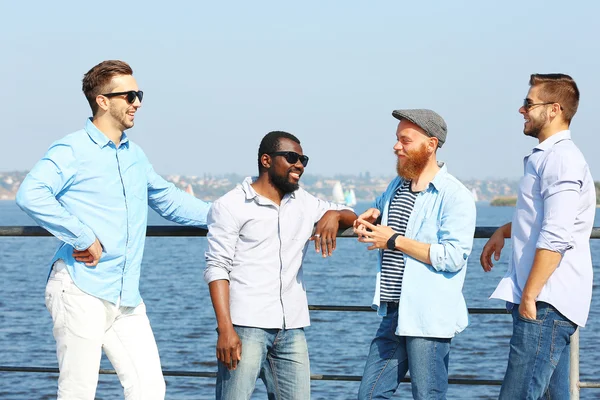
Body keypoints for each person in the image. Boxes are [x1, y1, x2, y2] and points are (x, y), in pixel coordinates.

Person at [16, 60, 211, 400]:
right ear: (103, 100)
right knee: (78, 392)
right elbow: (31, 193)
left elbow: (168, 200)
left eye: (140, 94)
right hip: (79, 287)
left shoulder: (135, 156)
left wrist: (231, 217)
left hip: (125, 296)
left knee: (149, 388)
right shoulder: (72, 148)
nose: (137, 102)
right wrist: (82, 236)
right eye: (130, 95)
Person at [204, 131, 357, 400]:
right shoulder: (229, 206)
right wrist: (225, 330)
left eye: (303, 159)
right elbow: (217, 267)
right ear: (266, 160)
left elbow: (352, 216)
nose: (299, 165)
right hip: (244, 326)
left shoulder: (305, 202)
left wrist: (333, 214)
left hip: (292, 329)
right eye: (291, 157)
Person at [481, 73, 595, 399]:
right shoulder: (549, 157)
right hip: (544, 302)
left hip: (545, 302)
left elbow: (557, 233)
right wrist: (505, 230)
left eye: (529, 104)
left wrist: (529, 295)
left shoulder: (561, 159)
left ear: (554, 109)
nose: (522, 109)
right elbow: (545, 217)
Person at [354, 109, 476, 400]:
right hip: (393, 313)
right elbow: (383, 212)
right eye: (397, 139)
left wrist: (395, 240)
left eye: (405, 140)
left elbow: (454, 255)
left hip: (428, 319)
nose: (396, 146)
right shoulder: (397, 186)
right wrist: (372, 215)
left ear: (431, 145)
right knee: (369, 396)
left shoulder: (454, 195)